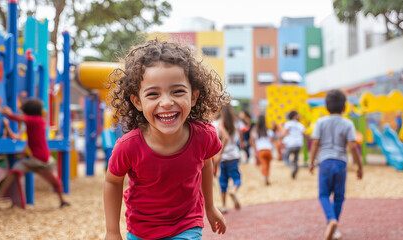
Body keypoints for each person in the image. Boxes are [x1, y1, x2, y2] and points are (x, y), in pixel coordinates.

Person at [104, 39, 229, 240]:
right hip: (141, 230)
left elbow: (206, 166)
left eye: (178, 91)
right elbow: (113, 182)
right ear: (137, 101)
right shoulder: (128, 147)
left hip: (186, 224)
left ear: (194, 96)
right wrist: (112, 232)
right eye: (153, 94)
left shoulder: (204, 136)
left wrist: (210, 206)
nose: (166, 102)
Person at [309, 90, 363, 240]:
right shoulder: (348, 123)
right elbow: (352, 146)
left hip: (325, 162)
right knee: (339, 197)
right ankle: (334, 226)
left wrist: (311, 162)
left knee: (324, 194)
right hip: (340, 163)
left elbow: (315, 143)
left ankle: (330, 220)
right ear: (345, 107)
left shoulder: (320, 122)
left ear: (326, 106)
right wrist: (360, 166)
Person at [0, 99, 70, 208]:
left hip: (36, 159)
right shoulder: (37, 122)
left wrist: (9, 114)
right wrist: (8, 123)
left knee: (13, 172)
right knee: (54, 181)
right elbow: (19, 131)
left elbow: (19, 118)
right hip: (42, 158)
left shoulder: (36, 120)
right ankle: (62, 200)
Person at [214, 104, 242, 214]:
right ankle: (234, 190)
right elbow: (238, 138)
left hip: (223, 157)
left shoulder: (218, 124)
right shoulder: (236, 124)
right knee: (236, 178)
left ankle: (224, 205)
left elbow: (221, 138)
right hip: (233, 155)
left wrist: (219, 154)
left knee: (223, 181)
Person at [250, 114, 275, 185]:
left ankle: (264, 176)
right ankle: (267, 177)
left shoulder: (256, 132)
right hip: (269, 150)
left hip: (261, 150)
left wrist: (255, 126)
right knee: (268, 164)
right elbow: (272, 140)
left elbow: (252, 139)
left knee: (263, 164)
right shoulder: (269, 131)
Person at [282, 110, 305, 179]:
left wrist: (281, 140)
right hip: (299, 144)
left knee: (285, 157)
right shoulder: (300, 125)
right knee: (296, 160)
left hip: (291, 144)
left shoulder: (288, 124)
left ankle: (291, 166)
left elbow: (285, 133)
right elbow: (303, 134)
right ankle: (294, 173)